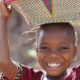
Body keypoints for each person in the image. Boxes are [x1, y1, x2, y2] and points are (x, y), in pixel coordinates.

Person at [0, 0, 80, 80]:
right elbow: (4, 63)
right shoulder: (30, 77)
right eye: (45, 48)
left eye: (63, 48)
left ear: (74, 52)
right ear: (37, 50)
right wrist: (3, 17)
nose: (53, 55)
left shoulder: (77, 76)